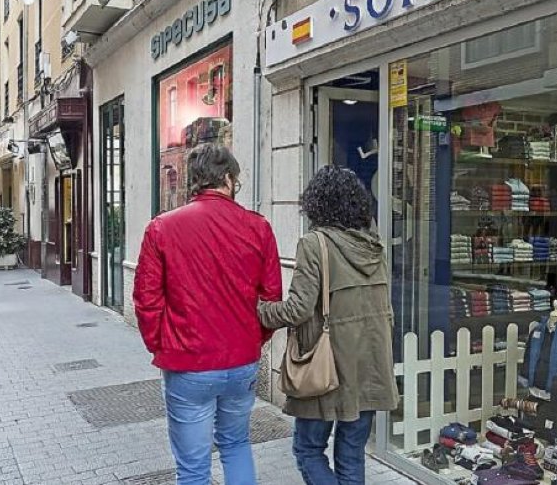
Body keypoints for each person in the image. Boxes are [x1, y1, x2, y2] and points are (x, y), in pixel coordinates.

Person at [134, 144, 282, 485]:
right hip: (241, 359)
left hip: (188, 360)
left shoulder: (162, 228)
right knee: (236, 444)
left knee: (192, 467)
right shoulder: (257, 227)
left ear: (194, 182)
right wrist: (255, 339)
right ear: (229, 179)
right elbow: (271, 296)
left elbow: (146, 298)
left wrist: (161, 344)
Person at [258, 165, 399, 485]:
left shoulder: (315, 244)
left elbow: (297, 309)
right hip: (371, 366)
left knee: (307, 450)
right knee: (351, 455)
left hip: (327, 368)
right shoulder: (374, 246)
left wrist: (257, 310)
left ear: (317, 203)